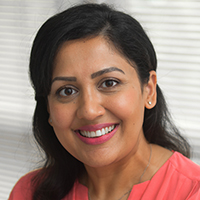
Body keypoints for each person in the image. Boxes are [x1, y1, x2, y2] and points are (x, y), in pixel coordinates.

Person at [9, 3, 200, 200]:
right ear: (48, 108)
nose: (89, 111)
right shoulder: (29, 193)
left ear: (149, 90)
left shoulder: (192, 192)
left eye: (109, 83)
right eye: (67, 91)